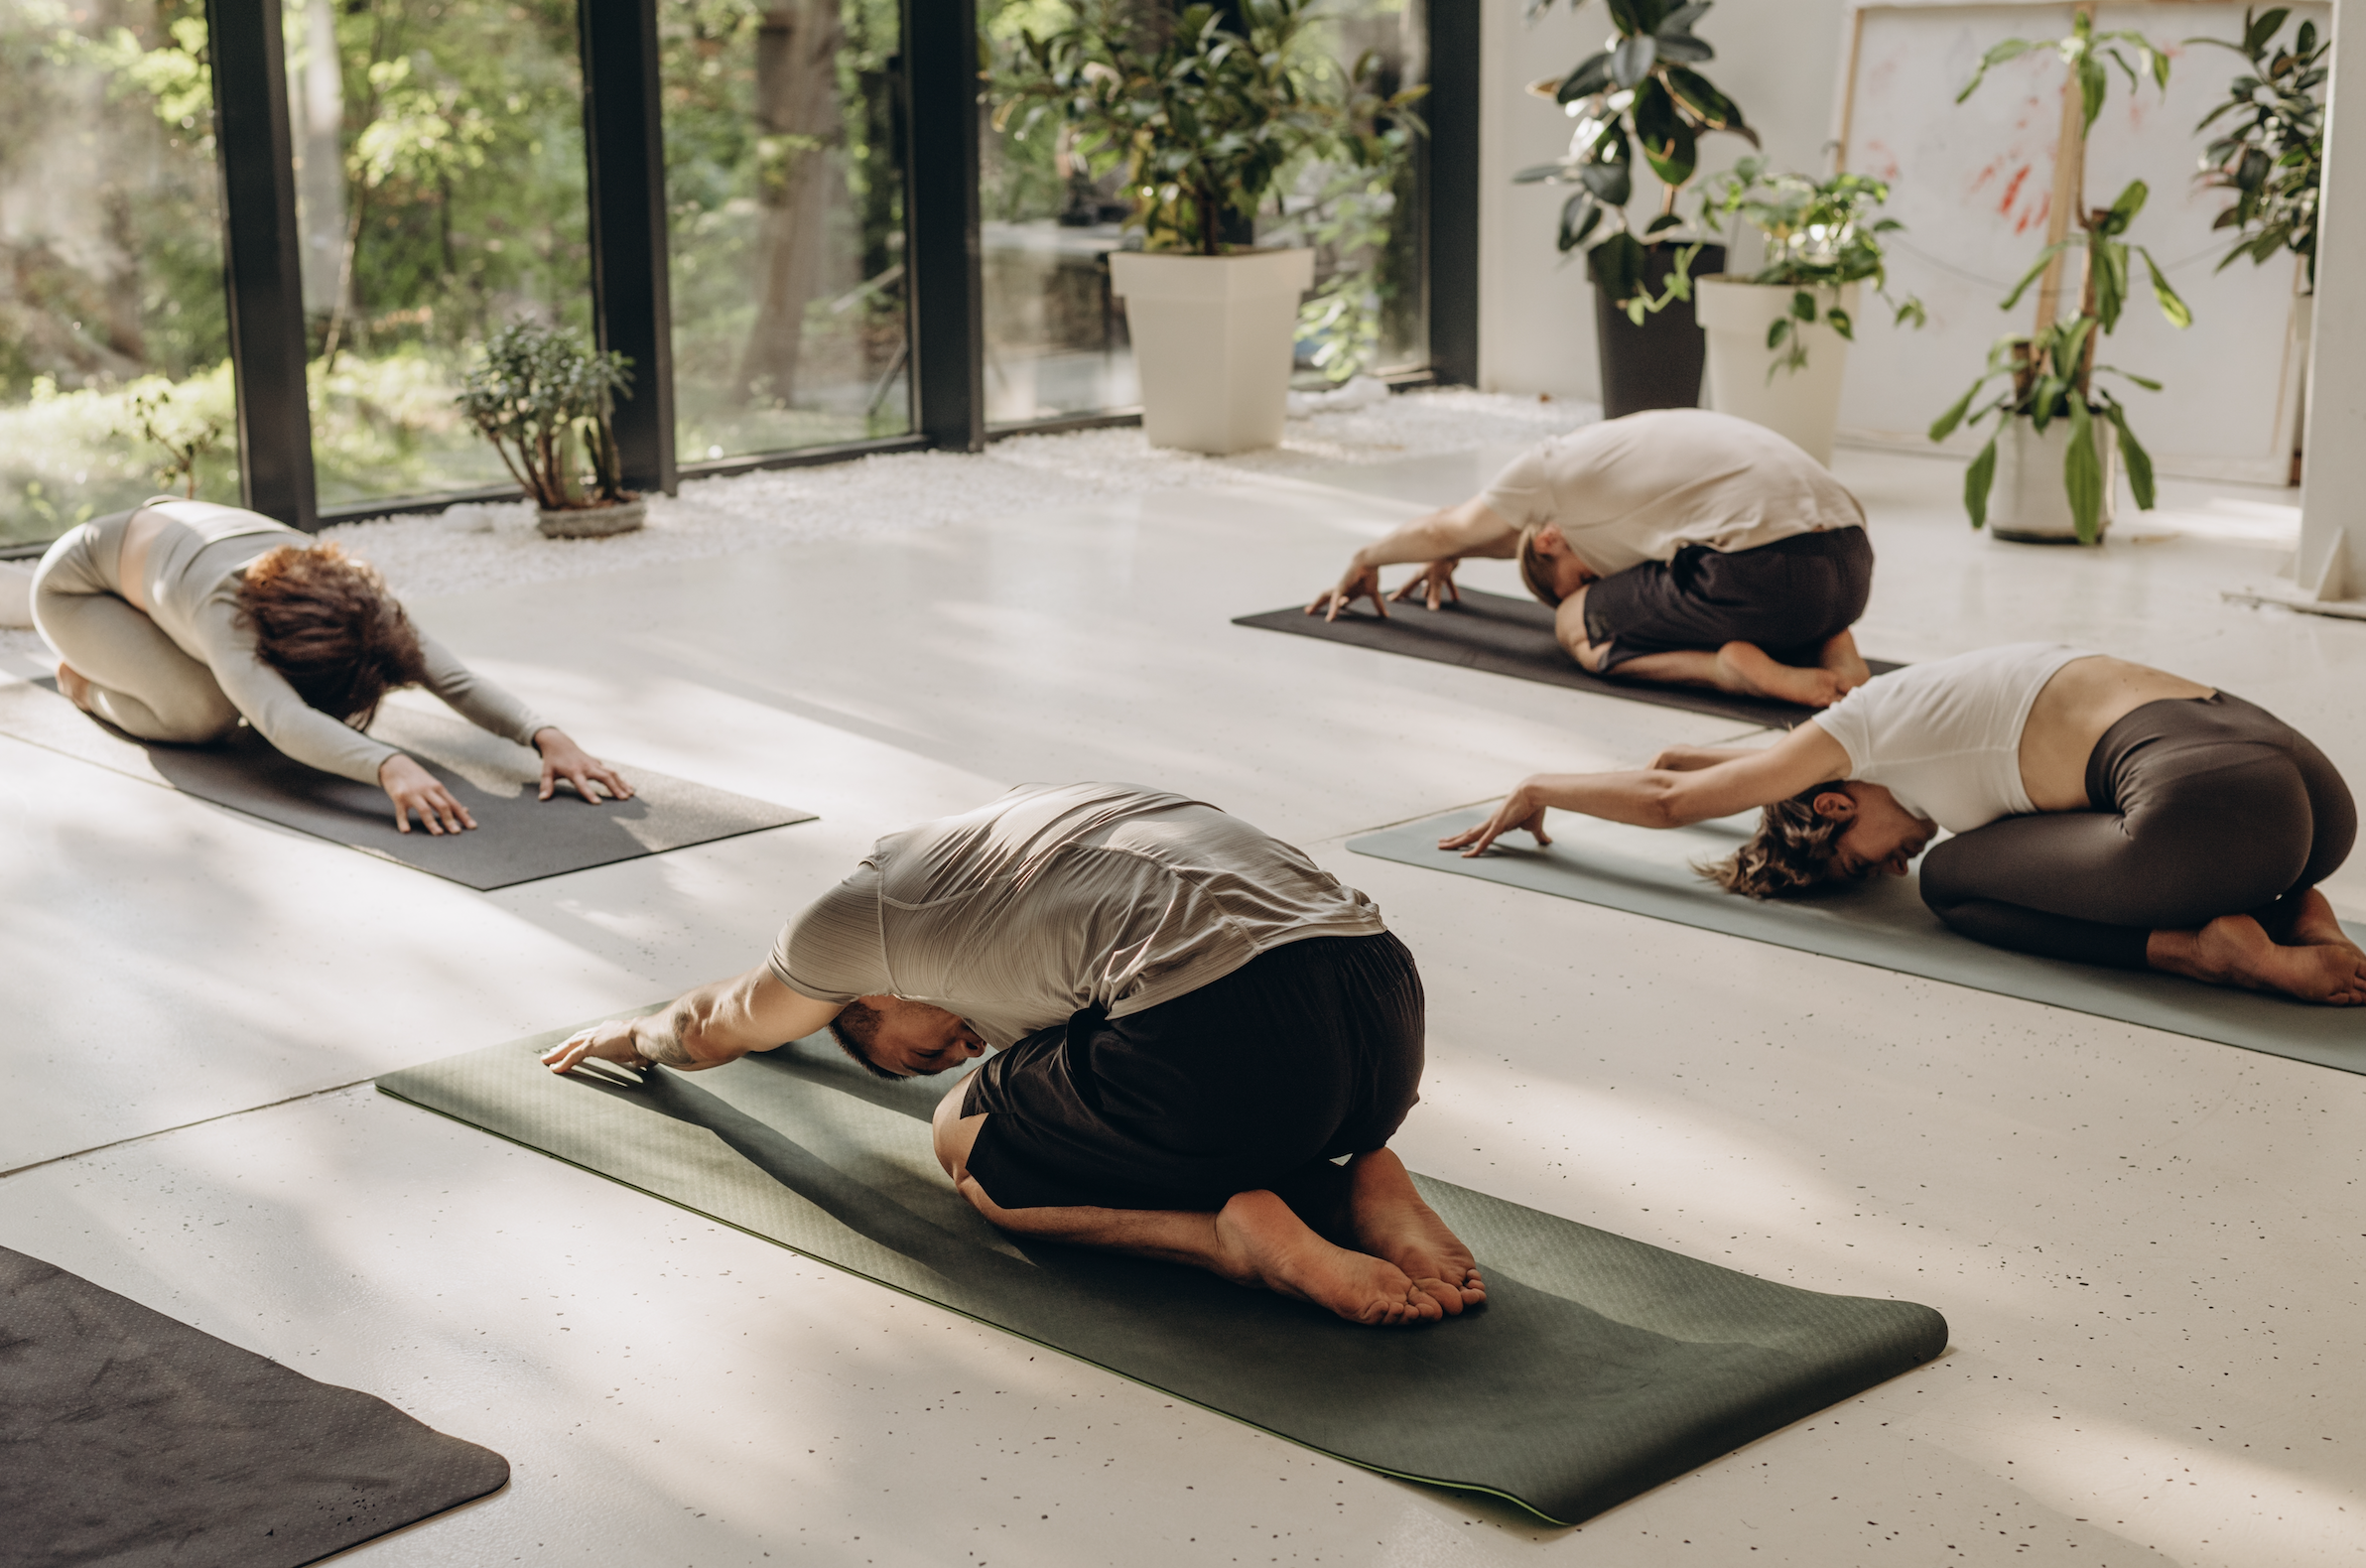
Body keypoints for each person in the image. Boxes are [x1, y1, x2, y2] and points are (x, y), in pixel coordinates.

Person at [542, 781, 1489, 1327]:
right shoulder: (1014, 834)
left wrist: (641, 1035)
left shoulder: (854, 918)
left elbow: (722, 1020)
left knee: (967, 1137)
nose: (966, 1050)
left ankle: (1232, 1243)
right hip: (1383, 1010)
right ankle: (1357, 1182)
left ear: (867, 994)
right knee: (1147, 1087)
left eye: (921, 1053)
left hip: (1224, 1036)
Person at [1442, 644, 2365, 1005]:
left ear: (1836, 803)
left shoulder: (1855, 733)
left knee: (1953, 883)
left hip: (2207, 808)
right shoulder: (1908, 712)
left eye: (1856, 861)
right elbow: (1691, 773)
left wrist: (1543, 786)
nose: (1888, 868)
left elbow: (1670, 803)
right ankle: (2300, 912)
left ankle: (2212, 953)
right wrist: (1690, 756)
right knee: (2053, 833)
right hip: (2310, 799)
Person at [30, 497, 630, 834]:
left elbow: (451, 677)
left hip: (160, 573)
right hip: (78, 591)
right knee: (206, 714)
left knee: (243, 684)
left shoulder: (350, 594)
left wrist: (544, 735)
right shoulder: (225, 608)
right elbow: (281, 720)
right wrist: (388, 764)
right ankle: (82, 681)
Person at [1308, 408, 1876, 708]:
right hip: (1851, 569)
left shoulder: (1548, 469)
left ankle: (1731, 670)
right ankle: (1834, 649)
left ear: (1550, 540)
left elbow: (1443, 528)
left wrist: (1369, 557)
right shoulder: (1609, 457)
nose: (1603, 581)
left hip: (1764, 578)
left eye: (1583, 579)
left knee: (1574, 624)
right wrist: (1457, 550)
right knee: (1700, 572)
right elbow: (1496, 536)